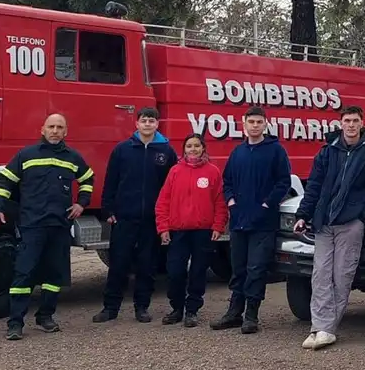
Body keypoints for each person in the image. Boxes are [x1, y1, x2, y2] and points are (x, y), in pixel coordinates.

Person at [293, 105, 365, 351]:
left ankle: (327, 329)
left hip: (351, 222)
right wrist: (303, 214)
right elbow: (314, 185)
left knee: (341, 276)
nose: (351, 125)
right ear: (341, 123)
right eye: (347, 121)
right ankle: (319, 327)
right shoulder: (328, 151)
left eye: (355, 120)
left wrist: (363, 217)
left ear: (362, 123)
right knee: (320, 275)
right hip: (324, 221)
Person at [0, 113, 94, 341]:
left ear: (65, 132)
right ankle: (15, 323)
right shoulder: (26, 155)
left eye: (59, 127)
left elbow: (87, 179)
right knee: (24, 273)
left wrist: (81, 203)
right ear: (43, 129)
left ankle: (45, 316)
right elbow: (5, 181)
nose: (55, 131)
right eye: (51, 126)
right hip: (32, 225)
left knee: (54, 274)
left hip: (59, 226)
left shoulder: (73, 157)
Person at [215, 106, 293, 334]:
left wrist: (267, 204)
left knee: (256, 268)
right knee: (238, 268)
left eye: (259, 122)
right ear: (244, 124)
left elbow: (283, 182)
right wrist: (231, 201)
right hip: (239, 221)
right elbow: (227, 181)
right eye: (251, 122)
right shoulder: (238, 152)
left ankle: (251, 316)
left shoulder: (276, 151)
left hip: (263, 222)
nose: (255, 126)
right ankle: (234, 313)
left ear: (265, 124)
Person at [95, 107, 177, 324]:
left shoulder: (167, 152)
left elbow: (171, 186)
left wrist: (167, 214)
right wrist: (108, 209)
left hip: (152, 219)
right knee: (118, 264)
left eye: (151, 121)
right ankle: (110, 308)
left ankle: (142, 307)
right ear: (137, 124)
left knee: (147, 265)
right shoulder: (122, 150)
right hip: (125, 216)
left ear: (157, 124)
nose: (147, 124)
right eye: (144, 120)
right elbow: (111, 180)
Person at [155, 133, 228, 327]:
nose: (193, 149)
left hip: (203, 231)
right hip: (178, 231)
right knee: (175, 271)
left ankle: (192, 310)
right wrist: (163, 227)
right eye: (189, 146)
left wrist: (218, 226)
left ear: (203, 148)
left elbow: (220, 202)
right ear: (184, 150)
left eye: (197, 145)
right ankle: (177, 308)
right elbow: (163, 201)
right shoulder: (175, 171)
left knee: (198, 272)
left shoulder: (212, 171)